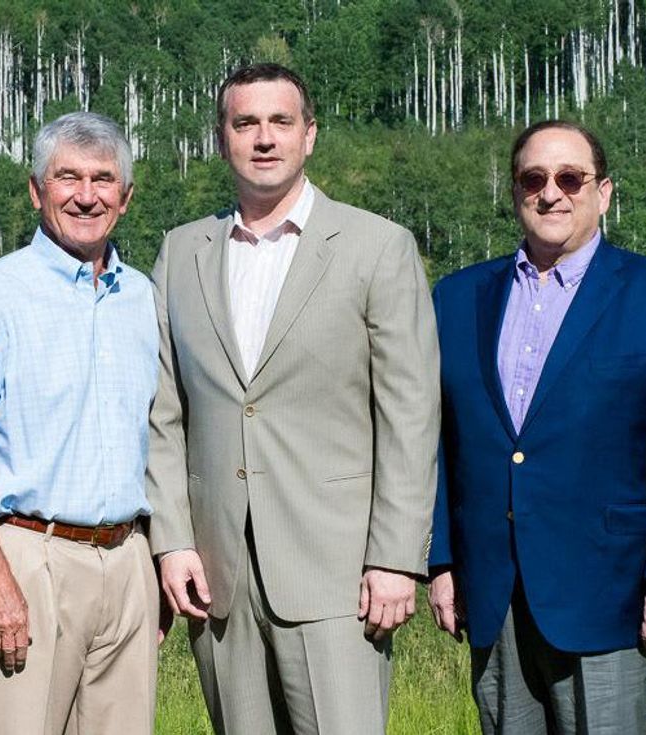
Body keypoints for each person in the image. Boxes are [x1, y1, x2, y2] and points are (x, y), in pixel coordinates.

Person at [146, 63, 440, 734]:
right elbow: (163, 412)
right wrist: (172, 540)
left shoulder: (378, 247)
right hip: (218, 570)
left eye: (281, 121)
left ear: (310, 135)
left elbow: (410, 416)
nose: (264, 138)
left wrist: (395, 557)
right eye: (245, 122)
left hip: (336, 569)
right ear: (222, 140)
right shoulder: (181, 251)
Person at [428, 120, 646, 734]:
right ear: (515, 191)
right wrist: (442, 562)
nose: (552, 193)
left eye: (571, 177)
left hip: (613, 592)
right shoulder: (457, 298)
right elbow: (438, 443)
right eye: (534, 178)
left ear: (602, 192)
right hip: (493, 589)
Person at [0, 111, 161, 735]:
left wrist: (155, 564)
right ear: (36, 190)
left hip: (128, 559)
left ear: (126, 197)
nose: (86, 195)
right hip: (28, 557)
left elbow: (160, 435)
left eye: (103, 179)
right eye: (68, 177)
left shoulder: (142, 299)